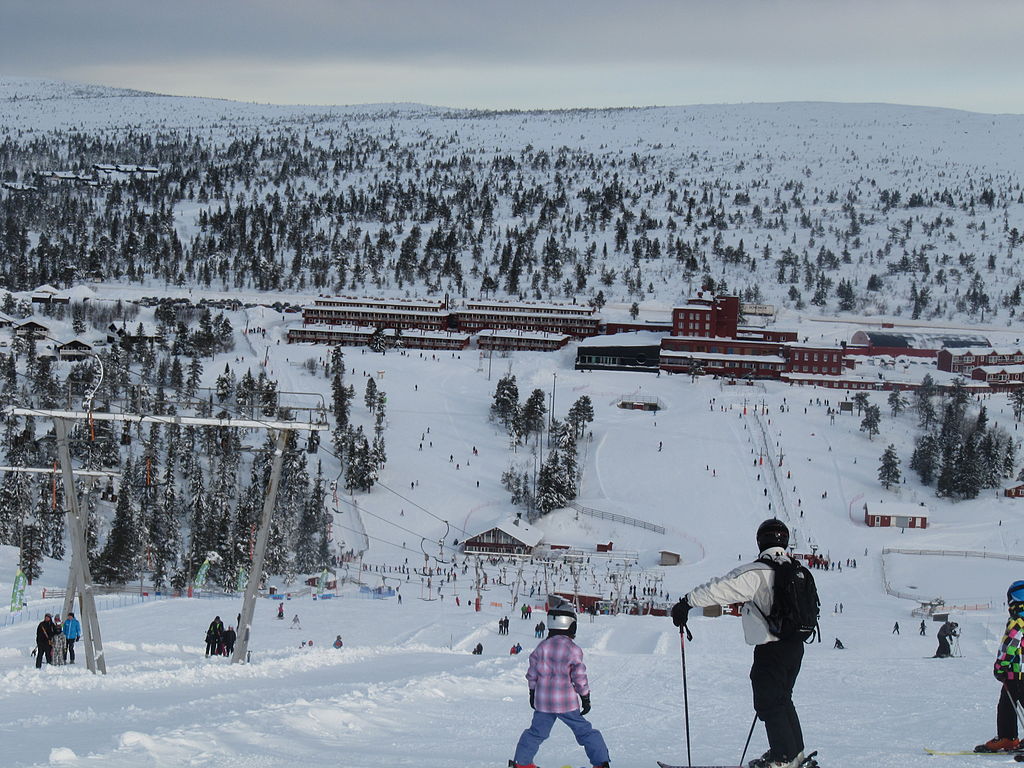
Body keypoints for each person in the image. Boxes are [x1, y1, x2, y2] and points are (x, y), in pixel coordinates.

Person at [672, 518, 809, 768]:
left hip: (772, 647)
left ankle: (783, 759)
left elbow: (720, 589)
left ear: (761, 540)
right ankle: (795, 754)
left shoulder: (759, 572)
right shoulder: (798, 571)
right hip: (795, 646)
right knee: (782, 699)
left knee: (768, 701)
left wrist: (687, 602)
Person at [511, 596, 610, 768]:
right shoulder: (572, 649)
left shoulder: (542, 646)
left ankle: (521, 763)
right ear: (571, 624)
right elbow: (579, 677)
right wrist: (585, 697)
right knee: (585, 732)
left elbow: (532, 672)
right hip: (566, 703)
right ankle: (601, 762)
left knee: (536, 732)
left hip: (543, 702)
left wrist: (532, 692)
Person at [974, 581, 1024, 753]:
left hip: (1016, 674)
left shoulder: (1017, 621)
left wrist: (1000, 667)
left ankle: (1007, 737)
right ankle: (1008, 738)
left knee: (1006, 706)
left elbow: (1010, 646)